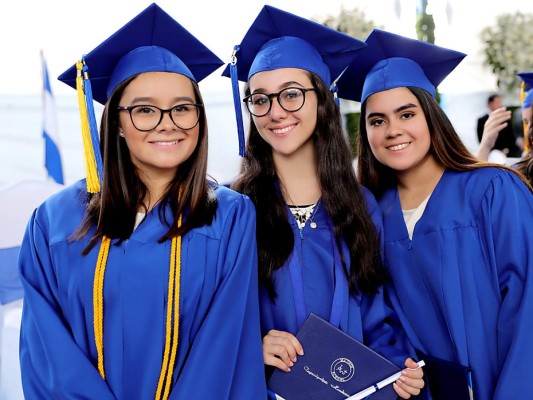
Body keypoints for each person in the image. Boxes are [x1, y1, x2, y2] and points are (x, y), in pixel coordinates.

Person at [18, 4, 266, 399]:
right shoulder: (53, 222)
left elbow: (223, 351)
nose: (167, 122)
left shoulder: (230, 217)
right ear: (116, 121)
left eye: (183, 108)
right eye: (145, 110)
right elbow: (47, 354)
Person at [223, 6, 425, 399]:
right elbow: (209, 321)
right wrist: (253, 345)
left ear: (323, 100)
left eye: (292, 95)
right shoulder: (233, 208)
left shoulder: (360, 204)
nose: (275, 111)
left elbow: (375, 313)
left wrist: (401, 367)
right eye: (260, 99)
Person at [338, 28, 533, 400]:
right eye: (376, 121)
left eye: (406, 113)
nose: (392, 130)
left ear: (431, 116)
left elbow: (529, 308)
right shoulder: (373, 217)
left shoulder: (493, 191)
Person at [476, 93, 522, 159]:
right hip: (490, 154)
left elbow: (511, 137)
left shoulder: (505, 118)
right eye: (497, 102)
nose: (500, 105)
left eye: (500, 102)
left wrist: (506, 150)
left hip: (507, 153)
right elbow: (481, 140)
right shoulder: (482, 120)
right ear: (490, 104)